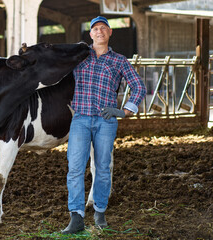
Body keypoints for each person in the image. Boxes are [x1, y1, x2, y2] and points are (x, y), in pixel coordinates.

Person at [62, 16, 146, 234]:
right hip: (80, 119)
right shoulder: (79, 57)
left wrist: (125, 111)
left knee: (102, 169)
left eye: (103, 28)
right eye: (95, 29)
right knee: (75, 168)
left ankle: (99, 211)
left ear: (110, 33)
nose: (99, 32)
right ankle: (77, 216)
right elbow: (58, 73)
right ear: (90, 34)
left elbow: (139, 87)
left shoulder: (119, 61)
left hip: (106, 121)